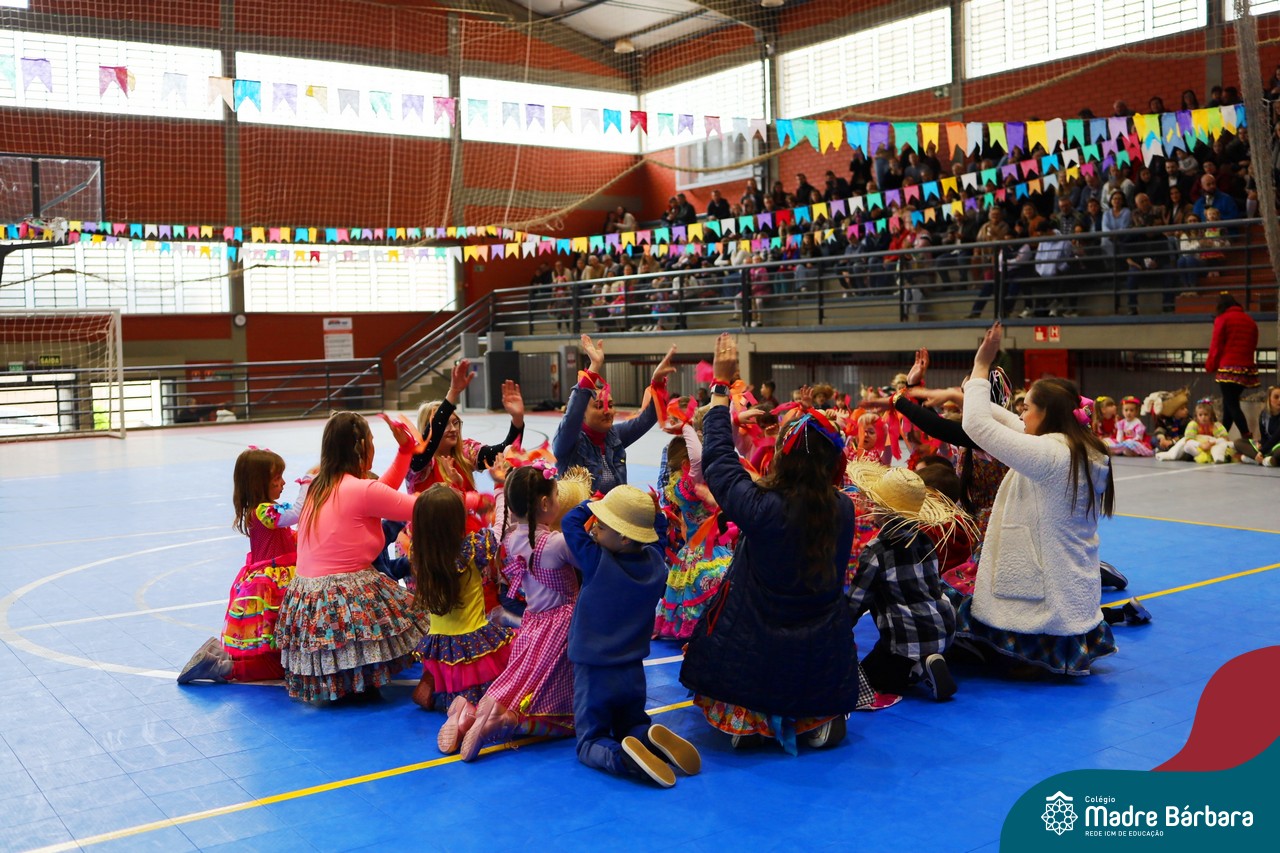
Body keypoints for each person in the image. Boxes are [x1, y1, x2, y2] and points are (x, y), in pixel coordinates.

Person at [680, 334, 862, 754]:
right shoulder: (843, 509)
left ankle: (752, 720)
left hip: (754, 644)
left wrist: (721, 388)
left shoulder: (761, 506)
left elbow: (719, 461)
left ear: (782, 457)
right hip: (819, 650)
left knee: (742, 652)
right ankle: (814, 719)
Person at [956, 322, 1118, 677]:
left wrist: (981, 365)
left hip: (1046, 598)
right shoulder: (1078, 446)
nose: (1021, 413)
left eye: (1027, 407)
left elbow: (977, 426)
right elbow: (1011, 423)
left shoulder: (1049, 454)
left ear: (1047, 414)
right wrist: (972, 390)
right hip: (1071, 590)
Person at [275, 411, 429, 702]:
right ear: (360, 446)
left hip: (308, 601)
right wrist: (471, 499)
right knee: (421, 612)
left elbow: (378, 493)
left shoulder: (318, 486)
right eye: (371, 440)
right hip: (341, 596)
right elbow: (415, 506)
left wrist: (405, 451)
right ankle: (358, 676)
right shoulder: (358, 489)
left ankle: (345, 677)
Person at [451, 465, 593, 760]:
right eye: (557, 497)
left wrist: (501, 487)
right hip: (562, 626)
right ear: (545, 503)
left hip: (533, 624)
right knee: (551, 698)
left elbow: (503, 511)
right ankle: (504, 721)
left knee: (518, 680)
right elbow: (589, 560)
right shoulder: (556, 544)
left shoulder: (511, 538)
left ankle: (471, 714)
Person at [562, 486, 700, 788]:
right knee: (632, 722)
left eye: (602, 525)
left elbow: (569, 523)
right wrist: (654, 514)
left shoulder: (597, 562)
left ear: (624, 538)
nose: (594, 528)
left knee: (590, 740)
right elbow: (659, 534)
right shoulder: (655, 565)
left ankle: (623, 759)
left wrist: (589, 504)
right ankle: (647, 737)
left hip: (595, 671)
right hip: (633, 670)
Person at [177, 447, 307, 684]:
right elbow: (296, 513)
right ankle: (223, 668)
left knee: (277, 651)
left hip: (273, 581)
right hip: (274, 586)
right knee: (279, 662)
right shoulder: (264, 511)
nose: (283, 483)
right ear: (260, 483)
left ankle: (219, 657)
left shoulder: (261, 511)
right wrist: (307, 484)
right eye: (277, 478)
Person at [845, 463, 973, 702]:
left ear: (883, 511)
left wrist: (837, 629)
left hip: (906, 641)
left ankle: (916, 669)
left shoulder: (877, 551)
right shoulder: (925, 540)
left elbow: (855, 602)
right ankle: (925, 662)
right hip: (943, 629)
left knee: (867, 679)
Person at [410, 485, 514, 717]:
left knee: (454, 685)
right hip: (472, 642)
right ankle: (464, 713)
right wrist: (500, 491)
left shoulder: (420, 554)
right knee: (491, 697)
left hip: (440, 644)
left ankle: (440, 692)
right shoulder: (472, 549)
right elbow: (500, 529)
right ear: (457, 523)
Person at [552, 335, 676, 493]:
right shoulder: (567, 443)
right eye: (599, 406)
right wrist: (594, 368)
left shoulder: (613, 436)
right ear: (582, 413)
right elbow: (571, 418)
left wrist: (657, 383)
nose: (607, 411)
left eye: (610, 405)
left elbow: (646, 419)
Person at [654, 423, 733, 640]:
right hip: (709, 552)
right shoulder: (692, 485)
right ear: (685, 463)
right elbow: (698, 458)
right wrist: (686, 426)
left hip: (692, 551)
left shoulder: (678, 485)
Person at [1205, 293, 1259, 443]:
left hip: (1228, 368)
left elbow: (1216, 346)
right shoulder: (1250, 320)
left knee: (1232, 405)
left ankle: (1246, 436)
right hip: (1246, 369)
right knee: (1229, 404)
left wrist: (1210, 365)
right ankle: (1221, 437)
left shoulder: (1222, 319)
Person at [1235, 385, 1280, 467]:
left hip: (1277, 446)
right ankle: (1266, 460)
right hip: (1268, 447)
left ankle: (1259, 459)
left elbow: (1276, 437)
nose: (1279, 400)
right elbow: (1264, 437)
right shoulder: (1264, 415)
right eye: (1276, 397)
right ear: (1269, 399)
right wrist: (1260, 445)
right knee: (1238, 442)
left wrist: (1262, 451)